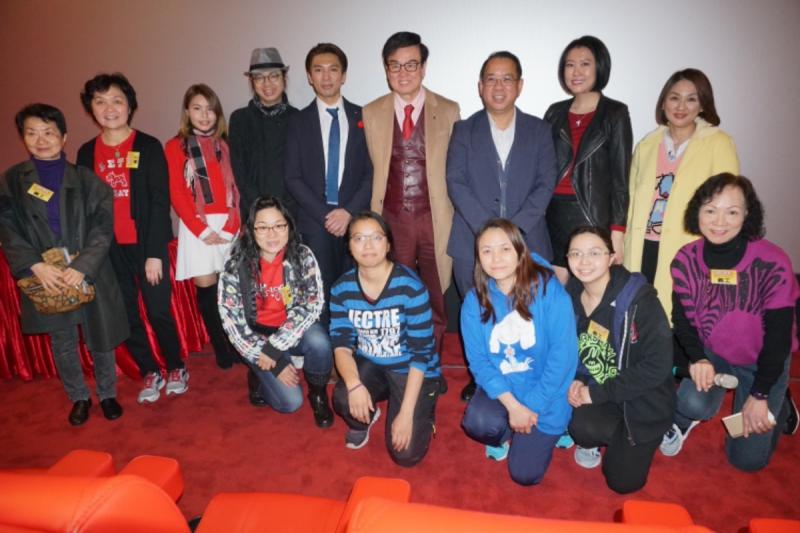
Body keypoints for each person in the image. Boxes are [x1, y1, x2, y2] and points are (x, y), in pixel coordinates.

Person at [660, 173, 798, 471]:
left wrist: (761, 394)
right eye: (710, 210)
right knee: (689, 403)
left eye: (732, 212)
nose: (719, 222)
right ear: (697, 211)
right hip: (716, 355)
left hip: (763, 361)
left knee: (746, 461)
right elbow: (681, 320)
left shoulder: (773, 262)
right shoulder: (685, 260)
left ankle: (780, 403)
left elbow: (779, 339)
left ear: (747, 214)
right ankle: (694, 412)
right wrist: (698, 358)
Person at [0, 104, 128, 425]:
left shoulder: (86, 179)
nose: (41, 140)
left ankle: (107, 393)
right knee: (63, 339)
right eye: (32, 133)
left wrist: (83, 265)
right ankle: (79, 397)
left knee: (100, 334)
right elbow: (7, 228)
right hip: (46, 271)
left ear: (64, 137)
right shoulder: (12, 181)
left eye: (49, 132)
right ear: (23, 138)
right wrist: (34, 265)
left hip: (88, 268)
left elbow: (102, 226)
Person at [447, 50, 557, 401]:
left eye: (507, 79)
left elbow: (546, 182)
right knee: (480, 313)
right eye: (491, 79)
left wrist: (514, 233)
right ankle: (482, 378)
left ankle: (532, 375)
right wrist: (490, 235)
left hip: (529, 238)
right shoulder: (464, 130)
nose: (499, 86)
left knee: (533, 312)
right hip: (471, 240)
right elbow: (456, 182)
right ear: (480, 86)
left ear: (519, 86)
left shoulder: (540, 130)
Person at [77, 73, 190, 404]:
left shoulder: (148, 146)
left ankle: (176, 366)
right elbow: (86, 207)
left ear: (129, 105)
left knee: (157, 311)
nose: (109, 108)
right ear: (91, 109)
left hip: (146, 245)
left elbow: (159, 201)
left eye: (117, 100)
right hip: (108, 250)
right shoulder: (86, 153)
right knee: (125, 313)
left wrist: (154, 253)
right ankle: (149, 370)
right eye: (100, 102)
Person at [363, 31, 460, 356]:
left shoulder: (448, 110)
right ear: (386, 69)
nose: (403, 73)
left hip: (435, 218)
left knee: (435, 295)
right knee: (396, 293)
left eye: (411, 65)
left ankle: (430, 362)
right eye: (395, 65)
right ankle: (400, 360)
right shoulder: (371, 112)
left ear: (423, 67)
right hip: (392, 219)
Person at [460, 218, 576, 486]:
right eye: (487, 251)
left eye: (505, 248)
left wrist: (530, 407)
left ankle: (562, 427)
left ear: (519, 251)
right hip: (507, 387)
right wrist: (514, 407)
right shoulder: (474, 301)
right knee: (478, 422)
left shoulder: (548, 289)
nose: (496, 258)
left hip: (546, 390)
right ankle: (505, 431)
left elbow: (563, 358)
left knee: (524, 474)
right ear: (478, 257)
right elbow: (479, 362)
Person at [564, 226, 674, 494]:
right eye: (575, 253)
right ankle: (615, 437)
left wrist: (595, 393)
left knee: (623, 482)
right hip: (604, 392)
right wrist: (578, 380)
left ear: (612, 257)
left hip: (643, 398)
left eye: (594, 253)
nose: (584, 261)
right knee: (579, 426)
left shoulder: (640, 300)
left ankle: (662, 430)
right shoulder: (570, 295)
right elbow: (573, 349)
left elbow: (657, 366)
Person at [624, 68, 739, 318]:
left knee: (680, 318)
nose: (681, 106)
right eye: (674, 97)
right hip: (643, 246)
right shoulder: (646, 145)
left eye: (691, 99)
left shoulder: (718, 143)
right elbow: (630, 201)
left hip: (688, 247)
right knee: (640, 317)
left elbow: (730, 205)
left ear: (702, 105)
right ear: (663, 102)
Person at [330, 212, 441, 466]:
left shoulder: (410, 287)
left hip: (411, 368)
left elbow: (421, 353)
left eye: (376, 238)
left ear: (388, 244)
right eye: (359, 238)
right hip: (373, 364)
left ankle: (425, 404)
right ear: (349, 245)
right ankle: (366, 417)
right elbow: (341, 345)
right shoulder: (341, 289)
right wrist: (355, 386)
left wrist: (406, 413)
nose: (368, 245)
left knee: (406, 455)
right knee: (343, 397)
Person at [218, 196, 334, 428]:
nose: (272, 234)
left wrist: (275, 348)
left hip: (292, 330)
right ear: (251, 230)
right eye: (262, 227)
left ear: (288, 227)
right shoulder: (236, 265)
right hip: (257, 337)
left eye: (279, 226)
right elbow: (233, 325)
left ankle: (318, 394)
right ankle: (257, 375)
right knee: (290, 403)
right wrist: (275, 361)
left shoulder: (302, 256)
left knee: (320, 341)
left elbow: (312, 305)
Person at [284, 42, 372, 322]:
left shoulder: (364, 117)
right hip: (315, 222)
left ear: (343, 75)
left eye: (333, 70)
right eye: (318, 70)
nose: (326, 77)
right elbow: (292, 177)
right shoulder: (297, 121)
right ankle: (323, 348)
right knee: (319, 296)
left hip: (354, 220)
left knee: (356, 291)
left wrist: (348, 212)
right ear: (309, 77)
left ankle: (352, 344)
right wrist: (326, 215)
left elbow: (373, 172)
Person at [544, 36, 632, 284]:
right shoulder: (554, 112)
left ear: (599, 67)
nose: (576, 72)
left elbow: (620, 179)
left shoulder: (615, 113)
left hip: (593, 215)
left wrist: (617, 232)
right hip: (553, 215)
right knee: (556, 289)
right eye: (570, 65)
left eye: (585, 64)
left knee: (588, 289)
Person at [166, 83, 241, 374]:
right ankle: (221, 348)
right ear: (187, 112)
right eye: (197, 108)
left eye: (210, 109)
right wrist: (202, 230)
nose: (204, 115)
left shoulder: (228, 144)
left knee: (230, 290)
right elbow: (177, 192)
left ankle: (235, 343)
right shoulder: (176, 146)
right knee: (208, 291)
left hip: (230, 224)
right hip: (197, 226)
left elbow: (239, 187)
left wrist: (232, 226)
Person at [229, 48, 298, 221]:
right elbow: (239, 172)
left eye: (274, 76)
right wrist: (259, 208)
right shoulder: (239, 119)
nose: (267, 84)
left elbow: (302, 172)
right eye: (259, 77)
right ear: (252, 82)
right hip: (252, 213)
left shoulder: (298, 118)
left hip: (290, 214)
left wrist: (283, 210)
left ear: (284, 78)